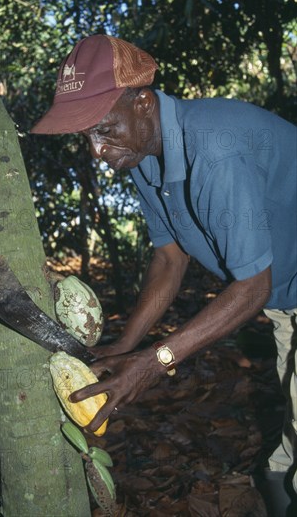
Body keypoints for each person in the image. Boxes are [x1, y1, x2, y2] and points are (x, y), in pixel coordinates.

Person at [31, 34, 296, 512]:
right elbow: (170, 258)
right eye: (86, 137)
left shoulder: (215, 152)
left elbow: (251, 285)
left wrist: (154, 363)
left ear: (143, 102)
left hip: (273, 290)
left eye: (103, 130)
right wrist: (127, 344)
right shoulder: (142, 156)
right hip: (286, 300)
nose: (96, 151)